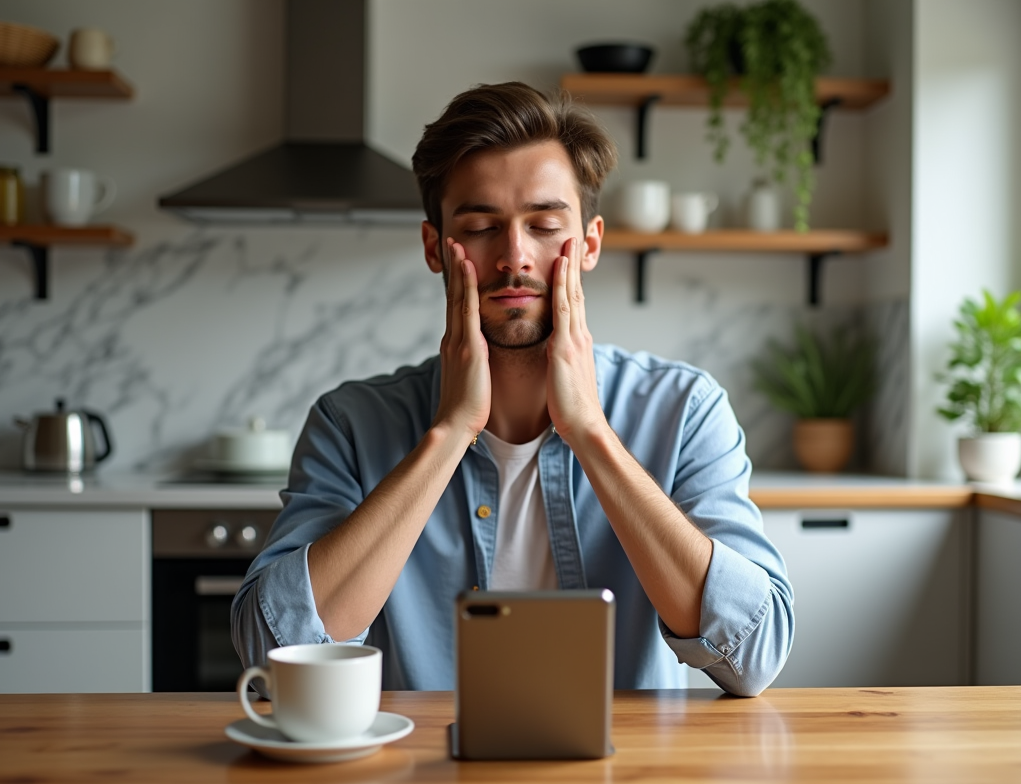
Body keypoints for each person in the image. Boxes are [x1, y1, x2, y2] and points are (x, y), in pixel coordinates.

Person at [232, 82, 793, 696]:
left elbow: (754, 657)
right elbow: (271, 657)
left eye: (546, 224)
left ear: (591, 244)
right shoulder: (350, 422)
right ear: (433, 248)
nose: (514, 256)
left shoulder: (685, 410)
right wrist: (448, 435)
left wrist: (591, 434)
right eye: (479, 227)